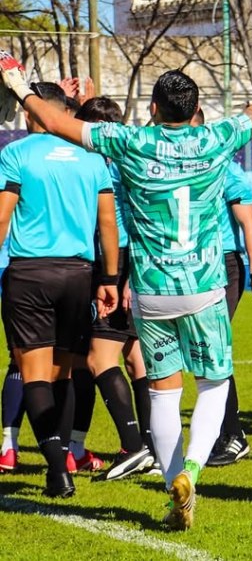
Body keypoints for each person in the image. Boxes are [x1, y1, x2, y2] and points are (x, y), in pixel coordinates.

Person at [0, 15, 252, 527]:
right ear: (195, 111)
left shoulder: (131, 141)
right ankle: (191, 472)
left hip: (151, 291)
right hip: (204, 285)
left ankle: (173, 481)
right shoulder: (215, 138)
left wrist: (20, 86)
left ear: (153, 108)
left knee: (162, 390)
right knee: (214, 383)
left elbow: (59, 123)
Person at [0, 80, 120, 497]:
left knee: (33, 373)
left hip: (30, 273)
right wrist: (108, 278)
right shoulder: (91, 159)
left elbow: (2, 217)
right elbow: (108, 223)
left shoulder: (16, 154)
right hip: (78, 274)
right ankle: (65, 456)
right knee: (64, 372)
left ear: (31, 113)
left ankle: (56, 468)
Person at [72, 96, 157, 481]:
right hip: (131, 262)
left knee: (97, 360)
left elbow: (128, 222)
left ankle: (134, 445)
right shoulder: (128, 159)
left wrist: (121, 278)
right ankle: (154, 448)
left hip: (113, 263)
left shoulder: (101, 165)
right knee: (136, 358)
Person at [189, 108, 252, 468]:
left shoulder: (226, 169)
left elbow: (248, 223)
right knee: (199, 351)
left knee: (211, 348)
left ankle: (234, 435)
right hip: (188, 264)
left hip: (223, 265)